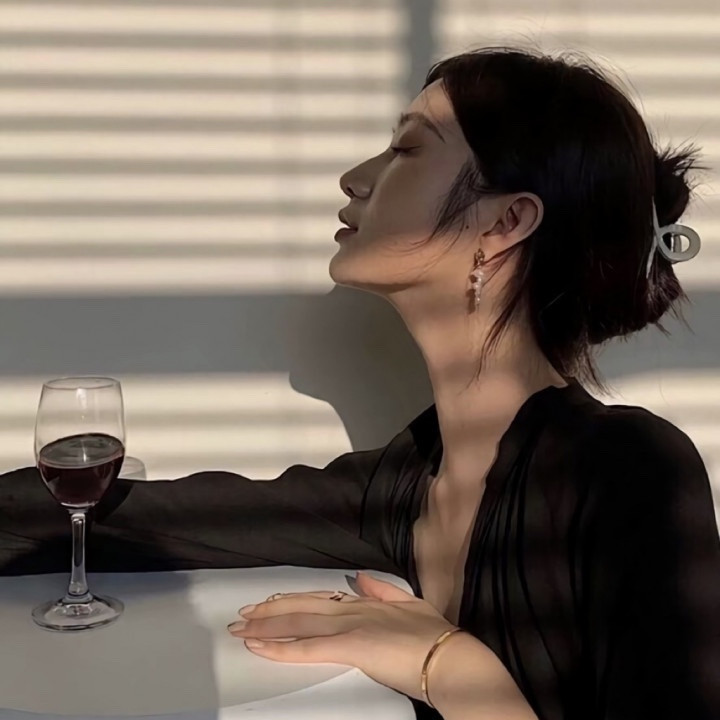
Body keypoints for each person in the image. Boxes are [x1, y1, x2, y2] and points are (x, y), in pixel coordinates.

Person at [1, 47, 718, 720]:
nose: (355, 177)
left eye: (407, 149)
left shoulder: (630, 472)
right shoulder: (401, 485)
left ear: (505, 222)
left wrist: (450, 668)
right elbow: (147, 520)